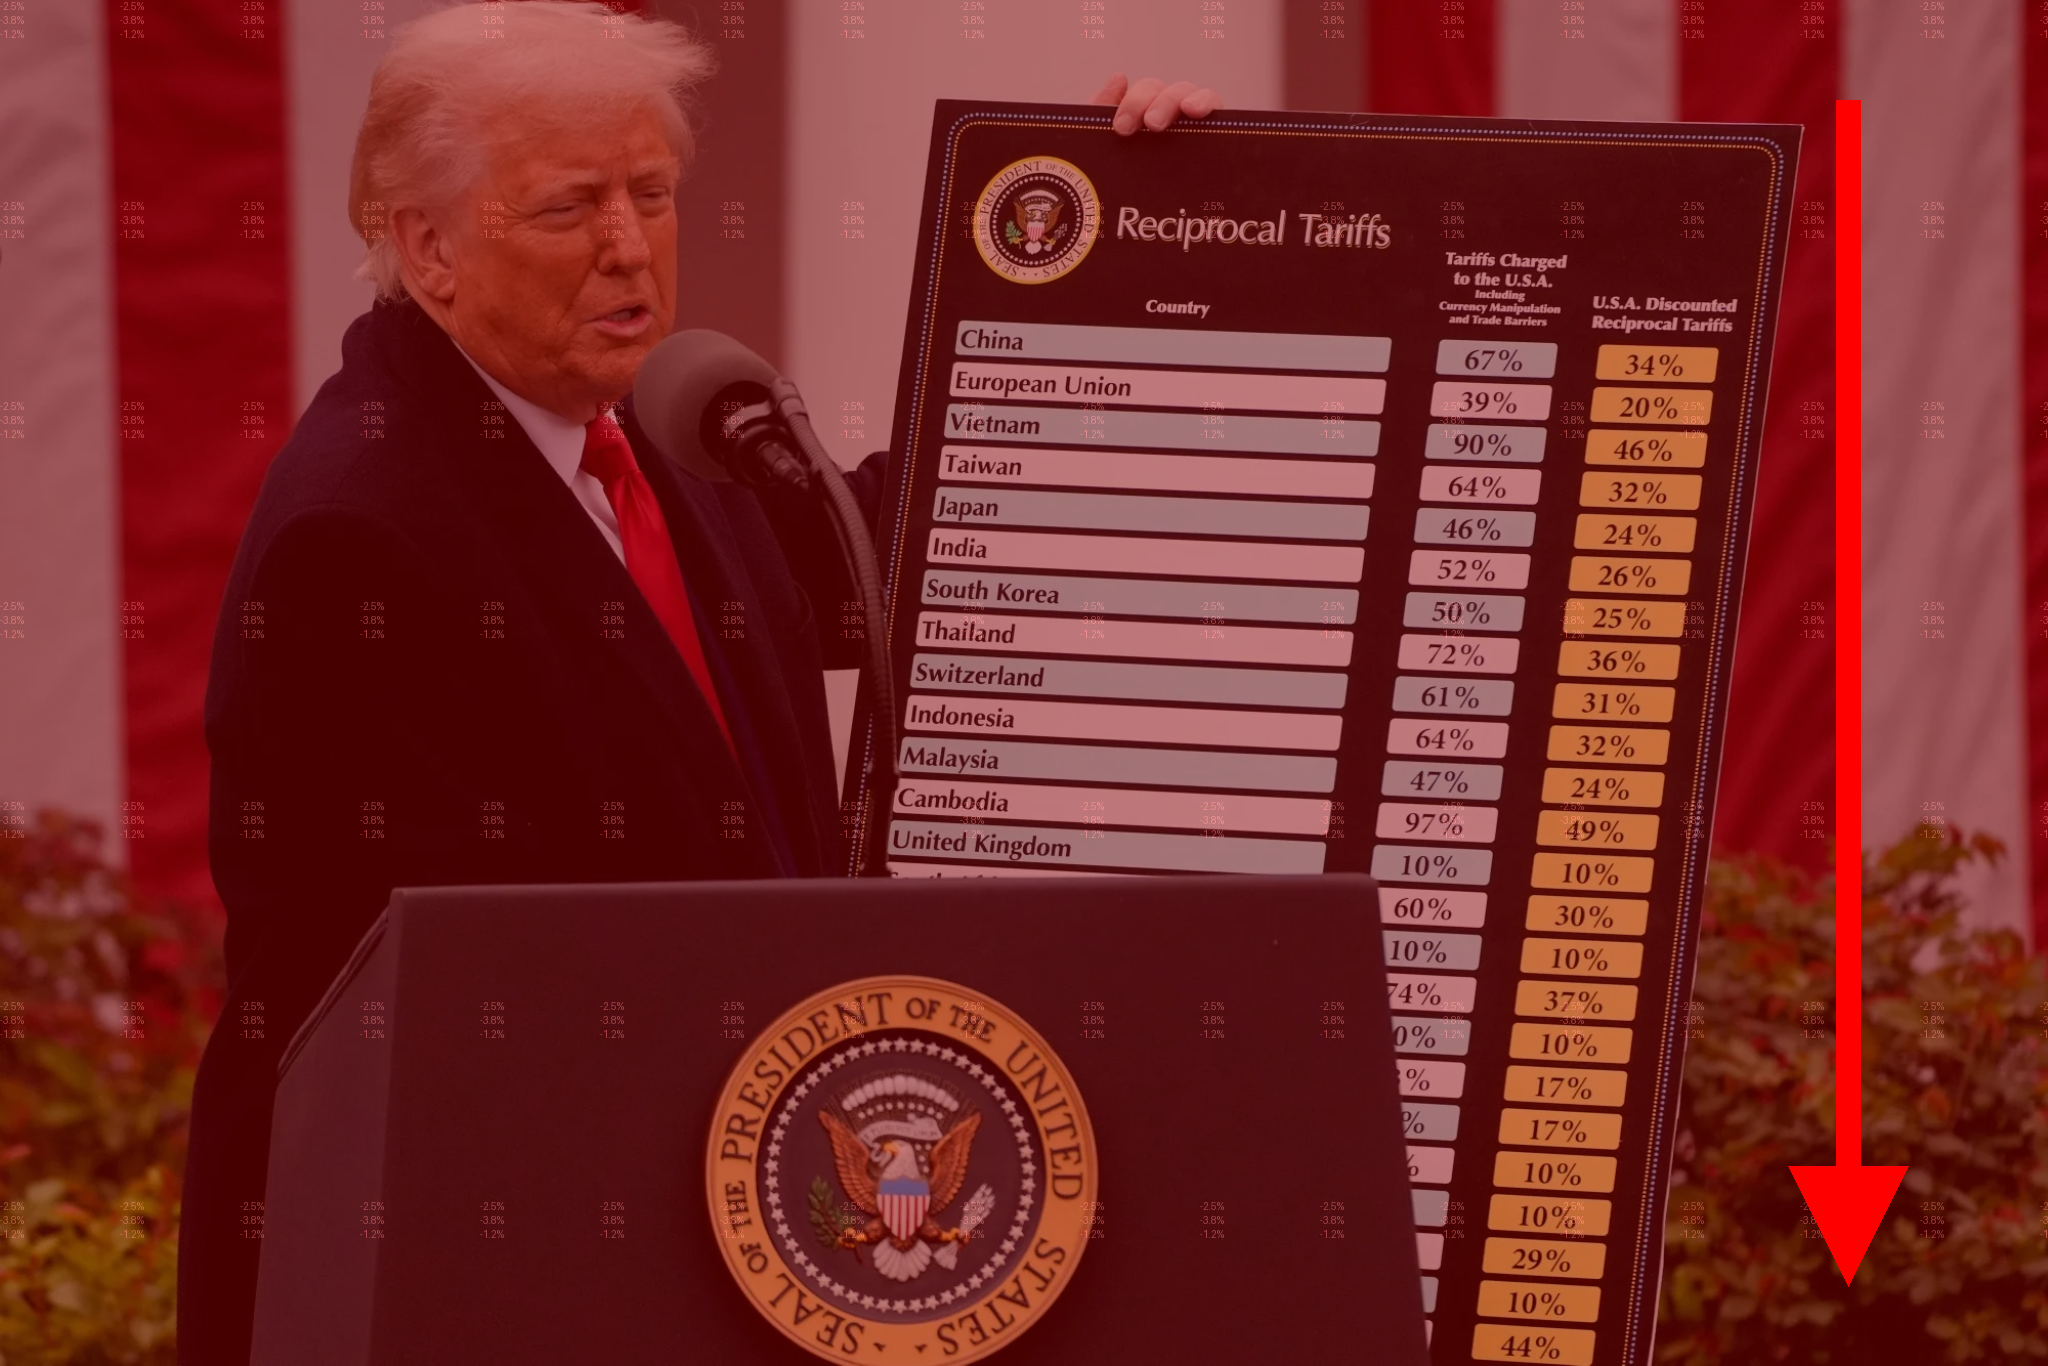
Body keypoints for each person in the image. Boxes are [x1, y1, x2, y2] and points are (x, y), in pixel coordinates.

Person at [177, 2, 1218, 1359]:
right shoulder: (360, 532)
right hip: (492, 1285)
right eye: (569, 207)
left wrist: (1126, 241)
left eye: (652, 194)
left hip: (713, 1237)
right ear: (427, 247)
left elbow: (915, 552)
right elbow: (435, 1027)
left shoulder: (656, 431)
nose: (629, 245)